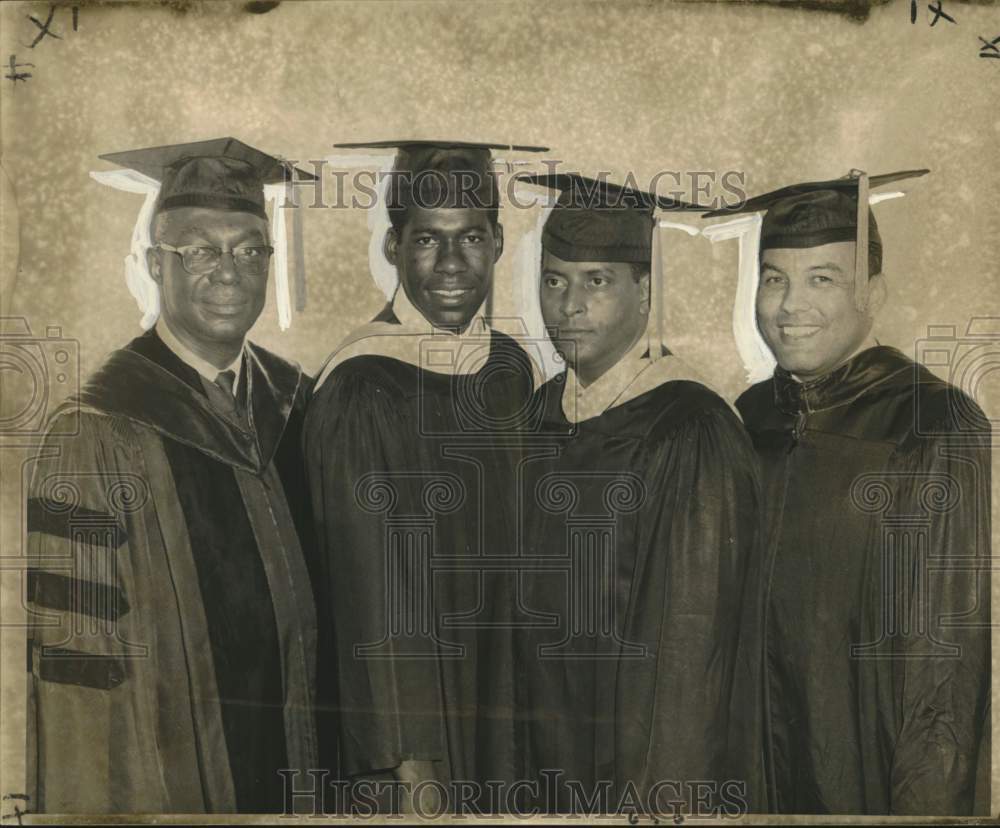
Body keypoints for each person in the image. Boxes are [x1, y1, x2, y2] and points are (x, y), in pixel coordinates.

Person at [25, 138, 321, 813]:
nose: (228, 272)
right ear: (156, 264)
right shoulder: (95, 432)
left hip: (299, 772)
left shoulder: (293, 403)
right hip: (171, 785)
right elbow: (76, 674)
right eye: (198, 249)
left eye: (250, 250)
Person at [709, 170, 991, 814]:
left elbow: (943, 675)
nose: (789, 306)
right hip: (754, 781)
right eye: (775, 278)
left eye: (823, 279)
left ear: (873, 294)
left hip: (867, 780)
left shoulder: (929, 424)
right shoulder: (750, 419)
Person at [303, 139, 544, 811]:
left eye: (470, 238)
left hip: (499, 709)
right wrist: (410, 762)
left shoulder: (508, 370)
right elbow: (366, 598)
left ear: (498, 243)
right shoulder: (359, 385)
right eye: (426, 241)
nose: (451, 264)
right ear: (392, 248)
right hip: (412, 745)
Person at [518, 173, 762, 815]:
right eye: (554, 279)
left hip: (640, 781)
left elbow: (689, 662)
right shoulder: (543, 412)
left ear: (645, 290)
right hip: (549, 765)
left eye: (597, 281)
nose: (569, 305)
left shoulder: (691, 429)